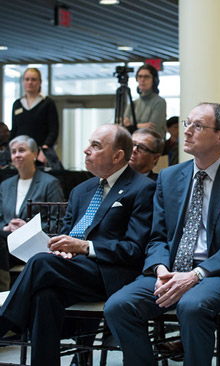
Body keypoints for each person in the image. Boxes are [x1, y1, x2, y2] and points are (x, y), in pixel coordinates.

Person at [104, 103, 220, 366]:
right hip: (170, 270)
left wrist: (195, 275)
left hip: (215, 273)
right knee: (118, 306)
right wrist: (161, 268)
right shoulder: (169, 176)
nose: (186, 132)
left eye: (197, 126)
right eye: (188, 124)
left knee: (192, 306)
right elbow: (157, 236)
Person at [0, 124, 156, 365]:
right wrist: (60, 248)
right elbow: (66, 235)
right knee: (45, 295)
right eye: (88, 144)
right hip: (71, 270)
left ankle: (3, 324)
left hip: (109, 272)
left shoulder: (142, 189)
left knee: (40, 263)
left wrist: (85, 247)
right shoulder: (80, 190)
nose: (86, 150)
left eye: (95, 146)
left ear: (117, 156)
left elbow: (135, 250)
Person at [0, 136, 64, 290]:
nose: (17, 155)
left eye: (21, 150)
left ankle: (3, 287)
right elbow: (0, 218)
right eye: (13, 152)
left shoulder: (50, 183)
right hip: (6, 242)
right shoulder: (5, 185)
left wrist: (27, 227)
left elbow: (59, 221)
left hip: (33, 242)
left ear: (35, 154)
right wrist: (6, 227)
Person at [10, 68, 59, 150]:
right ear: (23, 81)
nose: (30, 82)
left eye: (33, 79)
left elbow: (53, 131)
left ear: (40, 82)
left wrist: (45, 148)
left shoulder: (48, 103)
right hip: (20, 150)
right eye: (27, 79)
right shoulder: (17, 104)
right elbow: (14, 130)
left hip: (40, 151)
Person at [123, 64, 167, 137]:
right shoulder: (133, 103)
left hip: (153, 145)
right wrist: (140, 126)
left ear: (154, 80)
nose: (142, 80)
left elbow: (152, 130)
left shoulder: (159, 102)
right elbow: (124, 128)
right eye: (140, 76)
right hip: (133, 144)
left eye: (146, 77)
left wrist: (132, 126)